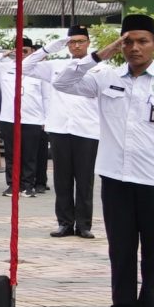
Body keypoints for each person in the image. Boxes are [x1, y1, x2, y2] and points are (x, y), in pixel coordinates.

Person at [49, 14, 154, 307]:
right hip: (116, 177)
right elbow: (62, 82)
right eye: (128, 41)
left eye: (142, 41)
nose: (134, 48)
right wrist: (100, 54)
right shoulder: (106, 79)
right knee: (120, 247)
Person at [45, 27, 102, 238]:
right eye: (72, 42)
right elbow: (26, 66)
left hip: (87, 129)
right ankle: (65, 223)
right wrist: (50, 47)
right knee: (62, 179)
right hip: (60, 128)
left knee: (85, 179)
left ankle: (84, 225)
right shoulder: (56, 66)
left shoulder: (101, 68)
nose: (76, 45)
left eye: (81, 41)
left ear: (88, 42)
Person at [0, 37, 49, 198]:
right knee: (11, 155)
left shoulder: (40, 70)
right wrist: (4, 54)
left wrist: (46, 119)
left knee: (29, 156)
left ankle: (27, 186)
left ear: (33, 52)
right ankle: (12, 185)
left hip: (33, 119)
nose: (22, 54)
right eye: (19, 51)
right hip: (9, 119)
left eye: (26, 51)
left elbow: (46, 97)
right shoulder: (5, 68)